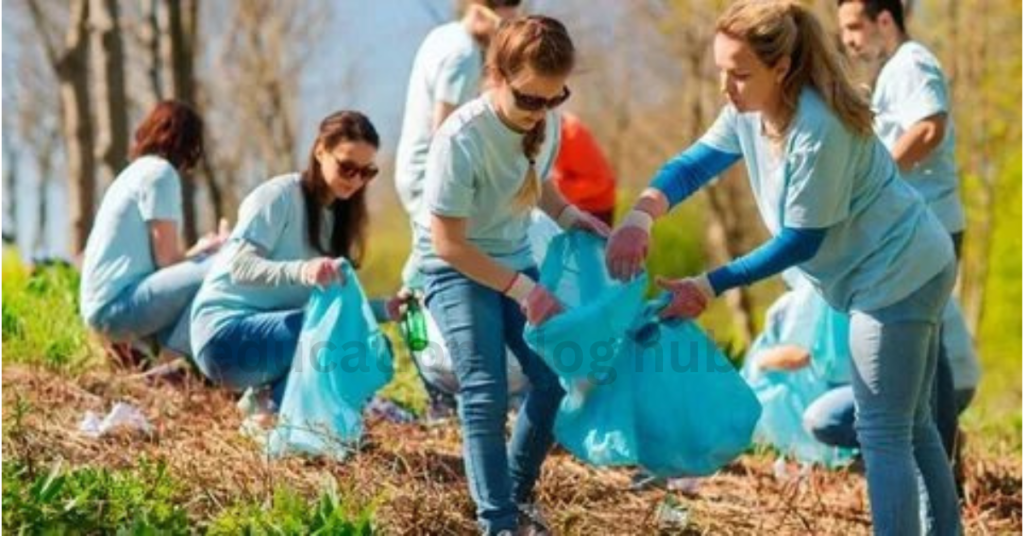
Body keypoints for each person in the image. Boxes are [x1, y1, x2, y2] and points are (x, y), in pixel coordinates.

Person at [605, 2, 960, 534]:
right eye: (721, 70)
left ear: (783, 69)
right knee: (912, 427)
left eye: (741, 74)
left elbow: (801, 239)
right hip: (904, 263)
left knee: (885, 431)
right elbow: (694, 163)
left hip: (897, 274)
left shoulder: (818, 126)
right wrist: (641, 214)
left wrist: (710, 284)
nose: (727, 87)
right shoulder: (750, 110)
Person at [414, 16, 609, 534]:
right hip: (455, 269)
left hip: (514, 256)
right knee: (485, 388)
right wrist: (524, 288)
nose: (539, 112)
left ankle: (516, 494)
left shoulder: (542, 127)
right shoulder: (461, 139)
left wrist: (571, 216)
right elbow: (448, 243)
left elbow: (537, 182)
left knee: (552, 380)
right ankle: (496, 521)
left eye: (553, 98)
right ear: (497, 75)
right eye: (528, 99)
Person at [190, 111, 403, 426]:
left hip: (276, 338)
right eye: (347, 167)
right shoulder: (279, 196)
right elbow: (240, 267)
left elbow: (336, 308)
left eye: (366, 172)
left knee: (372, 346)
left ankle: (265, 404)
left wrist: (387, 308)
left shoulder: (337, 220)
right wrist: (302, 270)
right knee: (338, 340)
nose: (356, 180)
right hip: (225, 338)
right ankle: (272, 406)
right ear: (320, 151)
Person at [837, 0, 970, 468]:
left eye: (855, 27)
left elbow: (929, 126)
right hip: (919, 231)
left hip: (929, 227)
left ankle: (946, 477)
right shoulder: (894, 70)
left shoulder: (912, 63)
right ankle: (946, 473)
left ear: (885, 20)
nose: (849, 40)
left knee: (927, 364)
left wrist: (879, 182)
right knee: (928, 359)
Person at [79, 100, 226, 361]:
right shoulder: (161, 174)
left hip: (103, 307)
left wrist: (200, 252)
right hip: (115, 309)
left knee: (212, 265)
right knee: (223, 267)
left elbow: (159, 264)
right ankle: (170, 370)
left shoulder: (134, 173)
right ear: (189, 143)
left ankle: (148, 355)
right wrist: (214, 253)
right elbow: (167, 261)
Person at [395, 0, 522, 288]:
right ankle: (408, 300)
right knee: (444, 258)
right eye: (502, 25)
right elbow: (445, 133)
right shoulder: (463, 55)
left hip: (411, 169)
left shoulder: (443, 35)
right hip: (428, 173)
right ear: (479, 10)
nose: (501, 35)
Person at [550, 111, 617, 226]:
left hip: (594, 209)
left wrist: (557, 190)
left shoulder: (572, 134)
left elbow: (599, 182)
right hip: (567, 204)